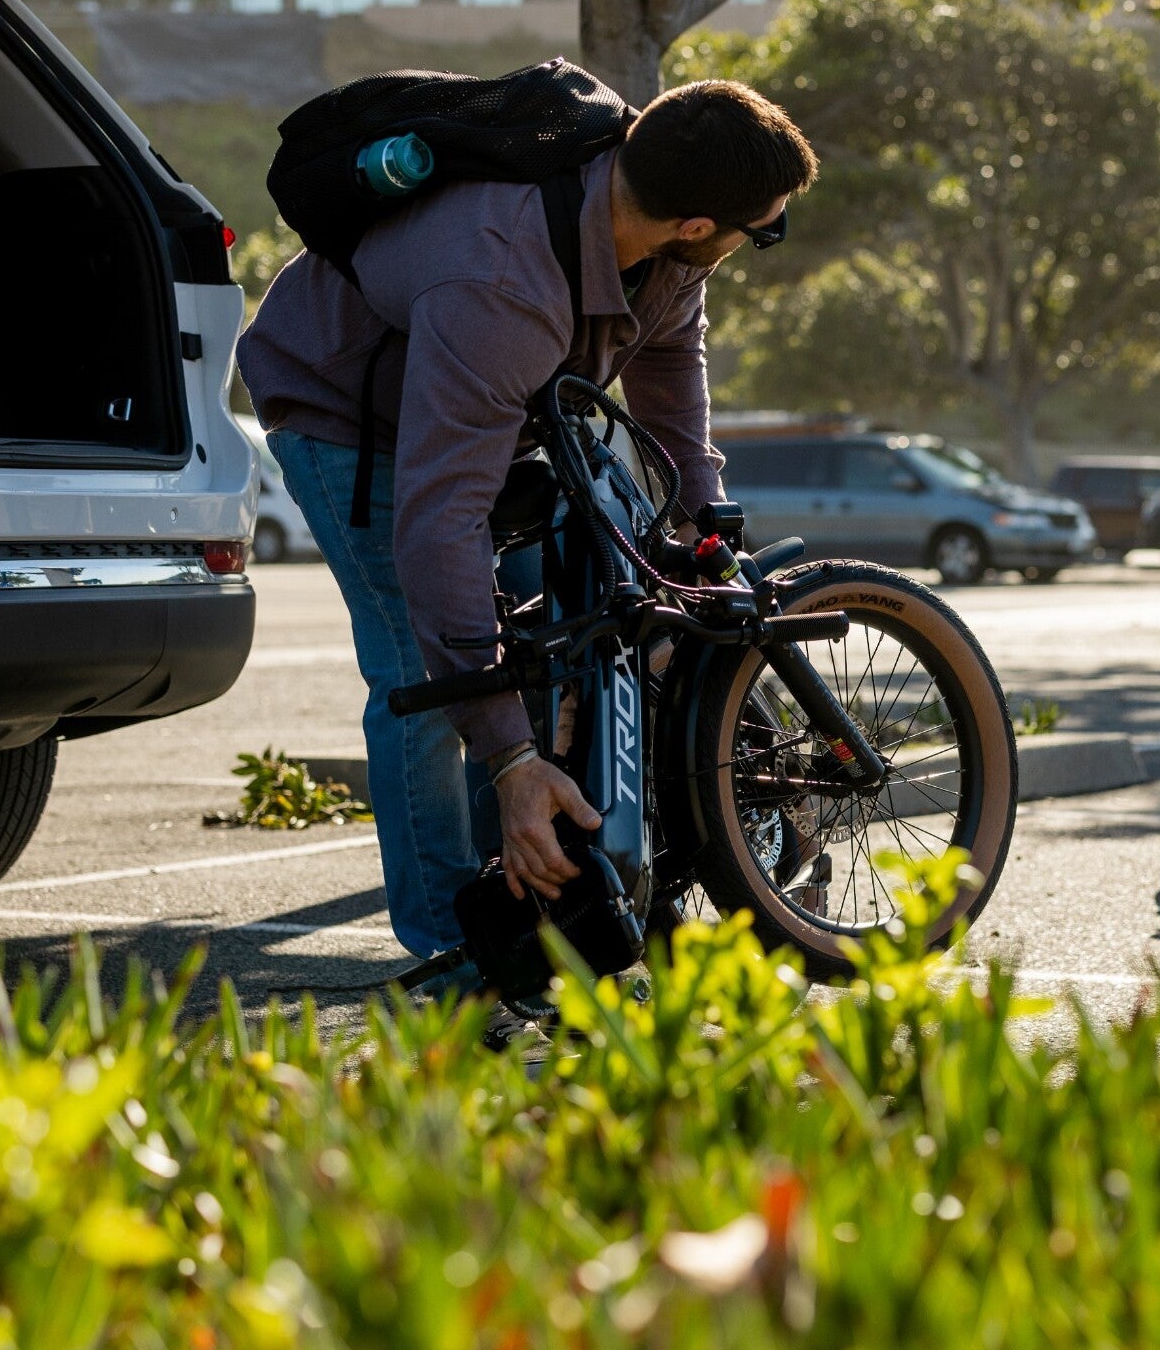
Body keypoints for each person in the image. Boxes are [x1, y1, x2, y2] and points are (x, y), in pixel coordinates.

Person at [237, 78, 816, 974]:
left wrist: (706, 516)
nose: (757, 244)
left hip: (487, 407)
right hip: (348, 417)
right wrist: (507, 755)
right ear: (697, 223)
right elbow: (439, 523)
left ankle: (549, 896)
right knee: (421, 677)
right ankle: (454, 952)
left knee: (549, 653)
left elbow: (666, 362)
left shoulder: (664, 231)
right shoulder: (501, 280)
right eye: (761, 230)